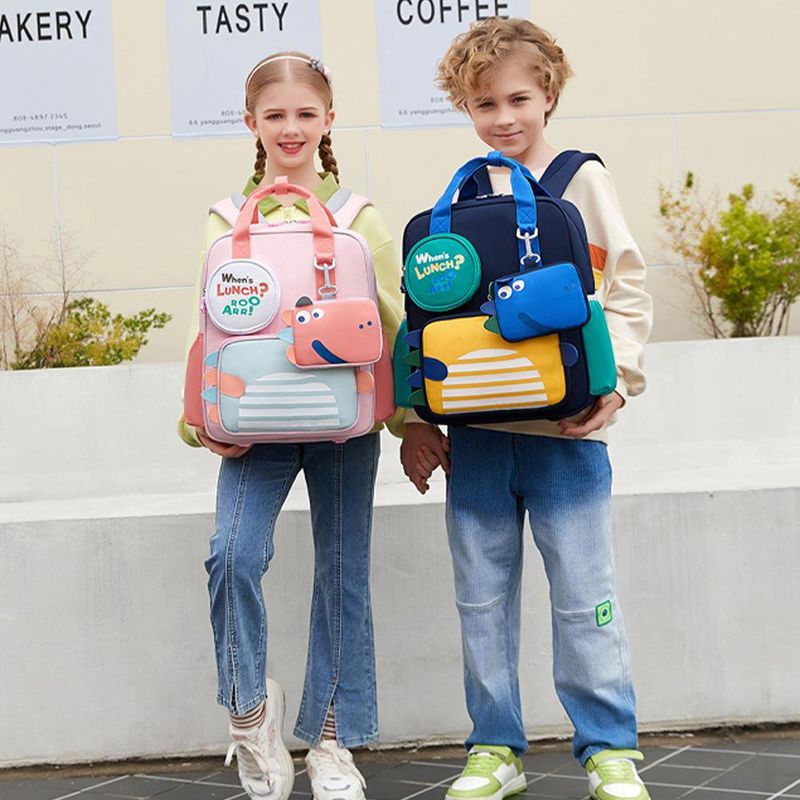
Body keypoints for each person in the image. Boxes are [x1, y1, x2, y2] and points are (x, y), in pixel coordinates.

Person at [400, 18, 654, 800]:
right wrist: (417, 417)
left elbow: (629, 290)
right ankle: (495, 748)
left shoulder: (581, 181)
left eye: (518, 98)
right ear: (464, 108)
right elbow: (426, 323)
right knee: (480, 600)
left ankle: (609, 748)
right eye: (484, 103)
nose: (503, 117)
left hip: (566, 434)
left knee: (585, 598)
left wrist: (619, 383)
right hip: (478, 437)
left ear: (549, 94)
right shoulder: (464, 198)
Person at [177, 51, 404, 800]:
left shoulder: (355, 217)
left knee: (343, 574)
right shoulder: (223, 221)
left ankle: (333, 742)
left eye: (306, 113)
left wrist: (411, 422)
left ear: (329, 120)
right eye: (275, 115)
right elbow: (210, 333)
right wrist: (200, 423)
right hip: (251, 422)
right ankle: (250, 719)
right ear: (251, 124)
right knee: (232, 556)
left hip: (345, 422)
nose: (291, 128)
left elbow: (391, 329)